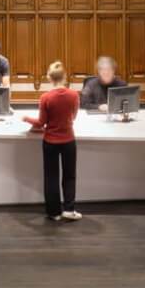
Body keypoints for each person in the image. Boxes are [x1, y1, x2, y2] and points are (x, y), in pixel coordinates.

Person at [26, 60, 82, 222]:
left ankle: (54, 213)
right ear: (65, 77)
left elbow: (40, 122)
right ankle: (69, 210)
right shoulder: (73, 95)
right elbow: (74, 117)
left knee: (51, 176)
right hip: (68, 141)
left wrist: (26, 118)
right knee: (69, 176)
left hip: (50, 142)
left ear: (49, 78)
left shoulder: (46, 97)